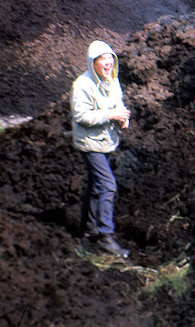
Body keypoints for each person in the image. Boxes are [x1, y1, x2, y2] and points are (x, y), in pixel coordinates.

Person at [71, 40, 131, 258]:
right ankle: (105, 236)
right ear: (92, 62)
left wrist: (123, 117)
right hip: (89, 143)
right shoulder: (82, 85)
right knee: (108, 185)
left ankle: (87, 228)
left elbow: (118, 105)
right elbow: (81, 116)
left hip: (105, 141)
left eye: (110, 58)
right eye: (102, 59)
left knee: (96, 185)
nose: (107, 62)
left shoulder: (112, 81)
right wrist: (110, 115)